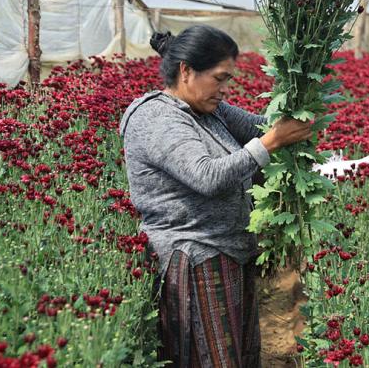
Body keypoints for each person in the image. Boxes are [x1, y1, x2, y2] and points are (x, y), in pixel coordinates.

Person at [119, 25, 312, 367]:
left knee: (236, 357)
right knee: (210, 359)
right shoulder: (158, 119)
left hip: (229, 253)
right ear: (186, 71)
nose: (225, 90)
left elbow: (260, 127)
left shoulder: (208, 110)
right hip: (195, 259)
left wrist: (299, 104)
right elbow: (207, 176)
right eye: (220, 79)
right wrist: (272, 143)